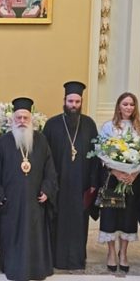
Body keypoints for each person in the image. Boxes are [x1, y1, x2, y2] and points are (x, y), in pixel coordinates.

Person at [0, 97, 57, 281]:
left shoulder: (41, 141)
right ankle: (11, 265)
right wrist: (0, 197)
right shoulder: (3, 142)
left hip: (35, 202)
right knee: (11, 236)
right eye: (19, 118)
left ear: (31, 120)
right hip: (11, 203)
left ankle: (36, 268)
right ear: (12, 120)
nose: (22, 121)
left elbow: (50, 170)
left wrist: (47, 190)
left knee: (35, 236)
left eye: (26, 118)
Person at [43, 81, 99, 270]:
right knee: (57, 222)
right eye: (70, 101)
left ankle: (76, 260)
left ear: (81, 102)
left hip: (81, 186)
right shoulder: (52, 125)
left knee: (78, 223)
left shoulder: (89, 124)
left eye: (77, 101)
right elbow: (44, 157)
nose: (73, 105)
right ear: (64, 101)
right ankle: (55, 259)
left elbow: (96, 155)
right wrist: (47, 184)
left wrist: (93, 183)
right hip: (58, 185)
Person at [98, 92, 140, 273]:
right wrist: (116, 171)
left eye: (131, 104)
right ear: (119, 106)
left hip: (132, 180)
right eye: (125, 104)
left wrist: (134, 173)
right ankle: (111, 252)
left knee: (128, 216)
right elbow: (101, 152)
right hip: (113, 179)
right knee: (110, 216)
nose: (128, 107)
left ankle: (124, 253)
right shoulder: (108, 127)